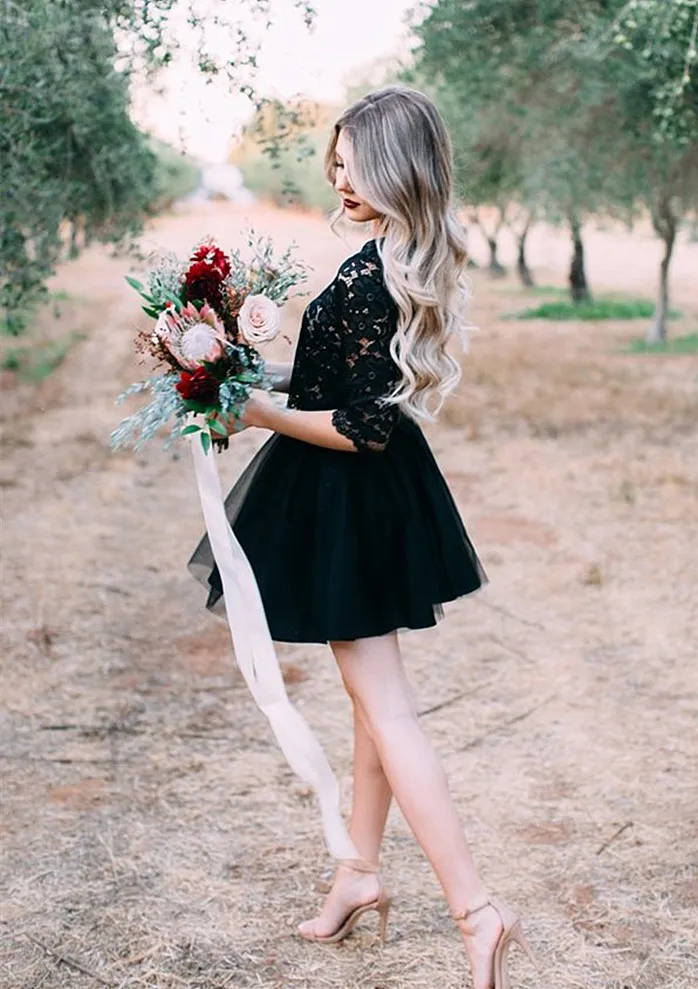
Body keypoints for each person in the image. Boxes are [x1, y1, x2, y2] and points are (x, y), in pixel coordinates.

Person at [189, 85, 533, 989]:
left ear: (400, 167)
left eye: (357, 165)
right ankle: (360, 874)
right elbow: (333, 384)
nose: (340, 180)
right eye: (335, 164)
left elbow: (362, 426)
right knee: (368, 699)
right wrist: (231, 382)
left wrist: (256, 408)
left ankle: (476, 908)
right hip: (366, 497)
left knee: (386, 705)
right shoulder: (391, 255)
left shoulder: (379, 270)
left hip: (355, 493)